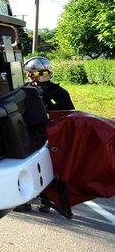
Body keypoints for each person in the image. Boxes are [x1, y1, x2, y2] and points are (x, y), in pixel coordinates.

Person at [17, 56, 75, 213]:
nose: (28, 76)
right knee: (30, 167)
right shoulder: (25, 91)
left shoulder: (59, 94)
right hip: (30, 134)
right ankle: (27, 200)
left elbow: (67, 116)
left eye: (30, 73)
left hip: (50, 136)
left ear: (38, 74)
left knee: (49, 167)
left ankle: (45, 200)